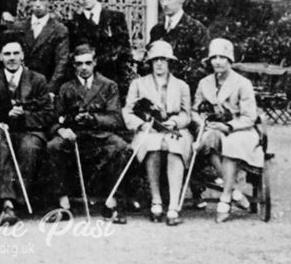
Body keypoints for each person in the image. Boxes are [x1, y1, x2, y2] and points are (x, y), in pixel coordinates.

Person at [46, 44, 131, 223]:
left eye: (87, 63)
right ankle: (63, 204)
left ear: (95, 63)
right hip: (74, 136)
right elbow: (53, 118)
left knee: (120, 146)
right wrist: (61, 129)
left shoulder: (109, 86)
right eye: (79, 64)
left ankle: (112, 204)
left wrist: (93, 119)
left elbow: (115, 118)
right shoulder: (66, 88)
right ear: (74, 66)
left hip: (99, 135)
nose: (84, 67)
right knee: (54, 146)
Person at [0, 39, 52, 224]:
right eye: (7, 54)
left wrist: (24, 116)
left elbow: (48, 114)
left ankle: (20, 200)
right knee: (1, 146)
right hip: (3, 131)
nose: (12, 58)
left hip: (30, 131)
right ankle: (7, 203)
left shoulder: (37, 79)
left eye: (16, 53)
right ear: (0, 57)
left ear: (22, 56)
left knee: (29, 147)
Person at [192, 38, 263, 223]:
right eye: (214, 57)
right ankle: (235, 192)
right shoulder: (204, 83)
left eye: (222, 57)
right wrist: (203, 123)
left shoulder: (242, 83)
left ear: (230, 60)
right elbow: (195, 109)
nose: (217, 61)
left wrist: (229, 126)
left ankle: (225, 198)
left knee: (231, 143)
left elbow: (249, 117)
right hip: (214, 127)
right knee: (207, 140)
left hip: (241, 129)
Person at [122, 40, 193, 226]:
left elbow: (187, 114)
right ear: (150, 63)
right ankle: (156, 200)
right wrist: (141, 125)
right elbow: (127, 112)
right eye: (155, 60)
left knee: (175, 146)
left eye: (163, 59)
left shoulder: (182, 86)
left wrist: (175, 121)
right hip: (149, 129)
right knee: (151, 144)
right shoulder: (138, 84)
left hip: (175, 129)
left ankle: (174, 204)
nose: (159, 64)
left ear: (170, 62)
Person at [68, 0, 134, 93]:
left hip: (114, 78)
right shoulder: (75, 23)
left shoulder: (115, 17)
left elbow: (124, 49)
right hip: (88, 81)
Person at [148, 0, 210, 87]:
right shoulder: (156, 30)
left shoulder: (197, 29)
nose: (165, 4)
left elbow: (203, 67)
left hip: (186, 91)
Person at [15, 0, 70, 95]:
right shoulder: (20, 27)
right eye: (34, 0)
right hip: (21, 87)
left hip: (46, 86)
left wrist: (50, 90)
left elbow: (61, 63)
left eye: (42, 0)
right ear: (29, 2)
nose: (38, 4)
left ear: (49, 2)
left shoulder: (59, 30)